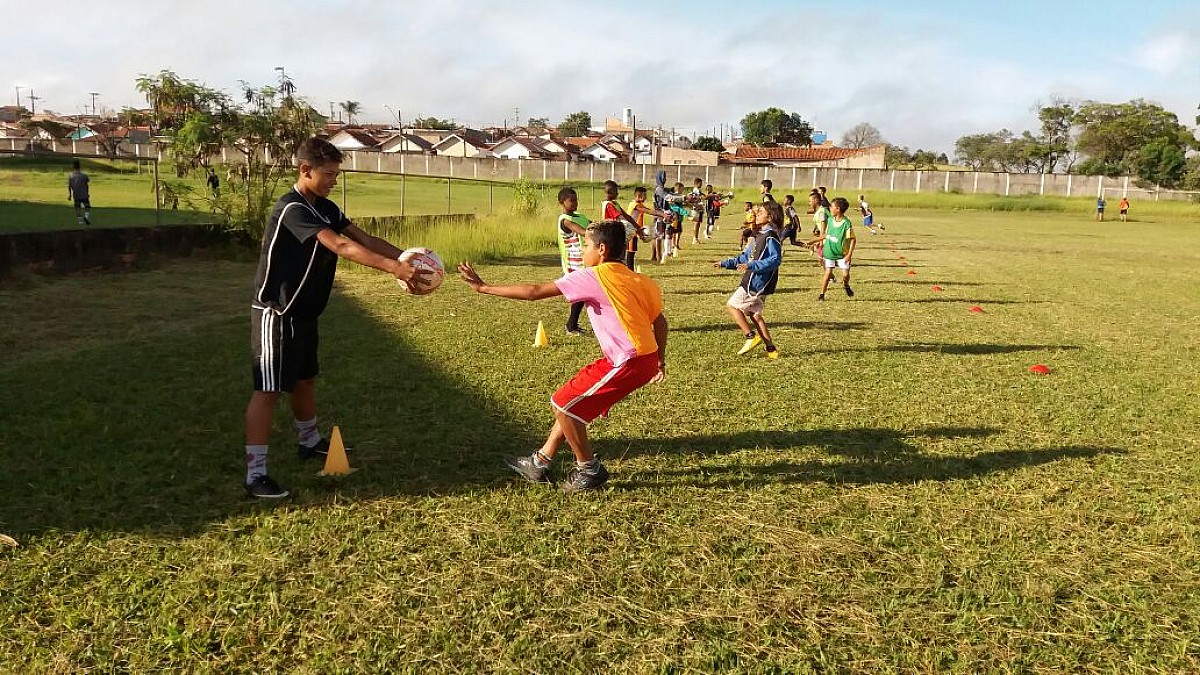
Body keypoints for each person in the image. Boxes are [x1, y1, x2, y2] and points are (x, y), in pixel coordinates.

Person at [244, 137, 430, 499]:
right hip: (276, 313)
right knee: (268, 391)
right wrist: (394, 269)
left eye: (336, 174)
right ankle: (255, 474)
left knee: (305, 380)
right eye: (328, 174)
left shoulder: (326, 208)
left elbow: (364, 239)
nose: (333, 180)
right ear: (305, 170)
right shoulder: (291, 209)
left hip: (306, 314)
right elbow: (341, 246)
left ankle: (309, 441)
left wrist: (409, 260)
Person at [458, 220, 668, 492]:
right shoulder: (640, 280)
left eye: (587, 245)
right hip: (642, 358)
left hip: (628, 360)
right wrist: (660, 360)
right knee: (571, 404)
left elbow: (534, 292)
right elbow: (660, 322)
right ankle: (540, 461)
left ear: (601, 249)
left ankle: (589, 470)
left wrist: (484, 288)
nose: (583, 251)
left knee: (563, 404)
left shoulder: (594, 276)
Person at [715, 201, 783, 359]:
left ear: (770, 217)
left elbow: (775, 259)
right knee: (755, 315)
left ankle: (751, 337)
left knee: (732, 306)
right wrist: (725, 263)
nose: (756, 215)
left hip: (756, 283)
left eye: (760, 213)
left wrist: (752, 265)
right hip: (757, 282)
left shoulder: (771, 237)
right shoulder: (758, 236)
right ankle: (771, 349)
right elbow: (745, 257)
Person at [806, 197, 856, 301]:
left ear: (837, 209)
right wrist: (813, 241)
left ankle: (846, 285)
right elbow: (825, 235)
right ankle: (822, 294)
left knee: (845, 275)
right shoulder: (829, 220)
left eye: (831, 207)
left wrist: (849, 254)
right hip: (829, 252)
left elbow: (852, 240)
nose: (830, 208)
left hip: (842, 254)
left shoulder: (846, 223)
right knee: (828, 272)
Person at [557, 187, 591, 336]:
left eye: (576, 199)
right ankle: (571, 326)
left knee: (583, 293)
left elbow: (591, 224)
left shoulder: (580, 216)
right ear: (562, 203)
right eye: (571, 200)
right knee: (581, 293)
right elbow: (583, 231)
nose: (575, 203)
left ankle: (572, 325)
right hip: (572, 263)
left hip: (583, 260)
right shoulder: (565, 220)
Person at [599, 180, 646, 270]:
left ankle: (625, 271)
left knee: (622, 256)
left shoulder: (615, 203)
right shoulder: (608, 204)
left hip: (618, 233)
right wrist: (634, 229)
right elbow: (621, 218)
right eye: (616, 191)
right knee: (615, 257)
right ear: (609, 192)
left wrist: (638, 228)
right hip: (612, 234)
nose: (618, 193)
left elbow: (627, 216)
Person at [627, 186, 668, 270]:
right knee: (630, 252)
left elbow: (650, 211)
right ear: (640, 196)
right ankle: (630, 270)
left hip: (632, 230)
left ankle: (630, 270)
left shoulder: (638, 204)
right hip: (628, 230)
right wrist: (663, 215)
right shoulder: (635, 205)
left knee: (632, 251)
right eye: (645, 195)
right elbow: (649, 211)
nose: (646, 197)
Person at [67, 160, 91, 226]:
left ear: (73, 167)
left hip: (76, 194)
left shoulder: (71, 176)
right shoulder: (84, 176)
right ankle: (86, 217)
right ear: (80, 166)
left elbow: (69, 186)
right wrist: (87, 193)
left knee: (77, 208)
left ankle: (80, 221)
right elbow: (87, 185)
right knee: (87, 207)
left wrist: (69, 195)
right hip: (84, 194)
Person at [690, 177, 706, 244]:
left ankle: (696, 237)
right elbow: (699, 198)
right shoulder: (695, 190)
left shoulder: (698, 190)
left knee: (698, 223)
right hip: (697, 209)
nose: (701, 185)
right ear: (697, 183)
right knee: (696, 223)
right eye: (701, 183)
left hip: (699, 208)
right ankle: (695, 238)